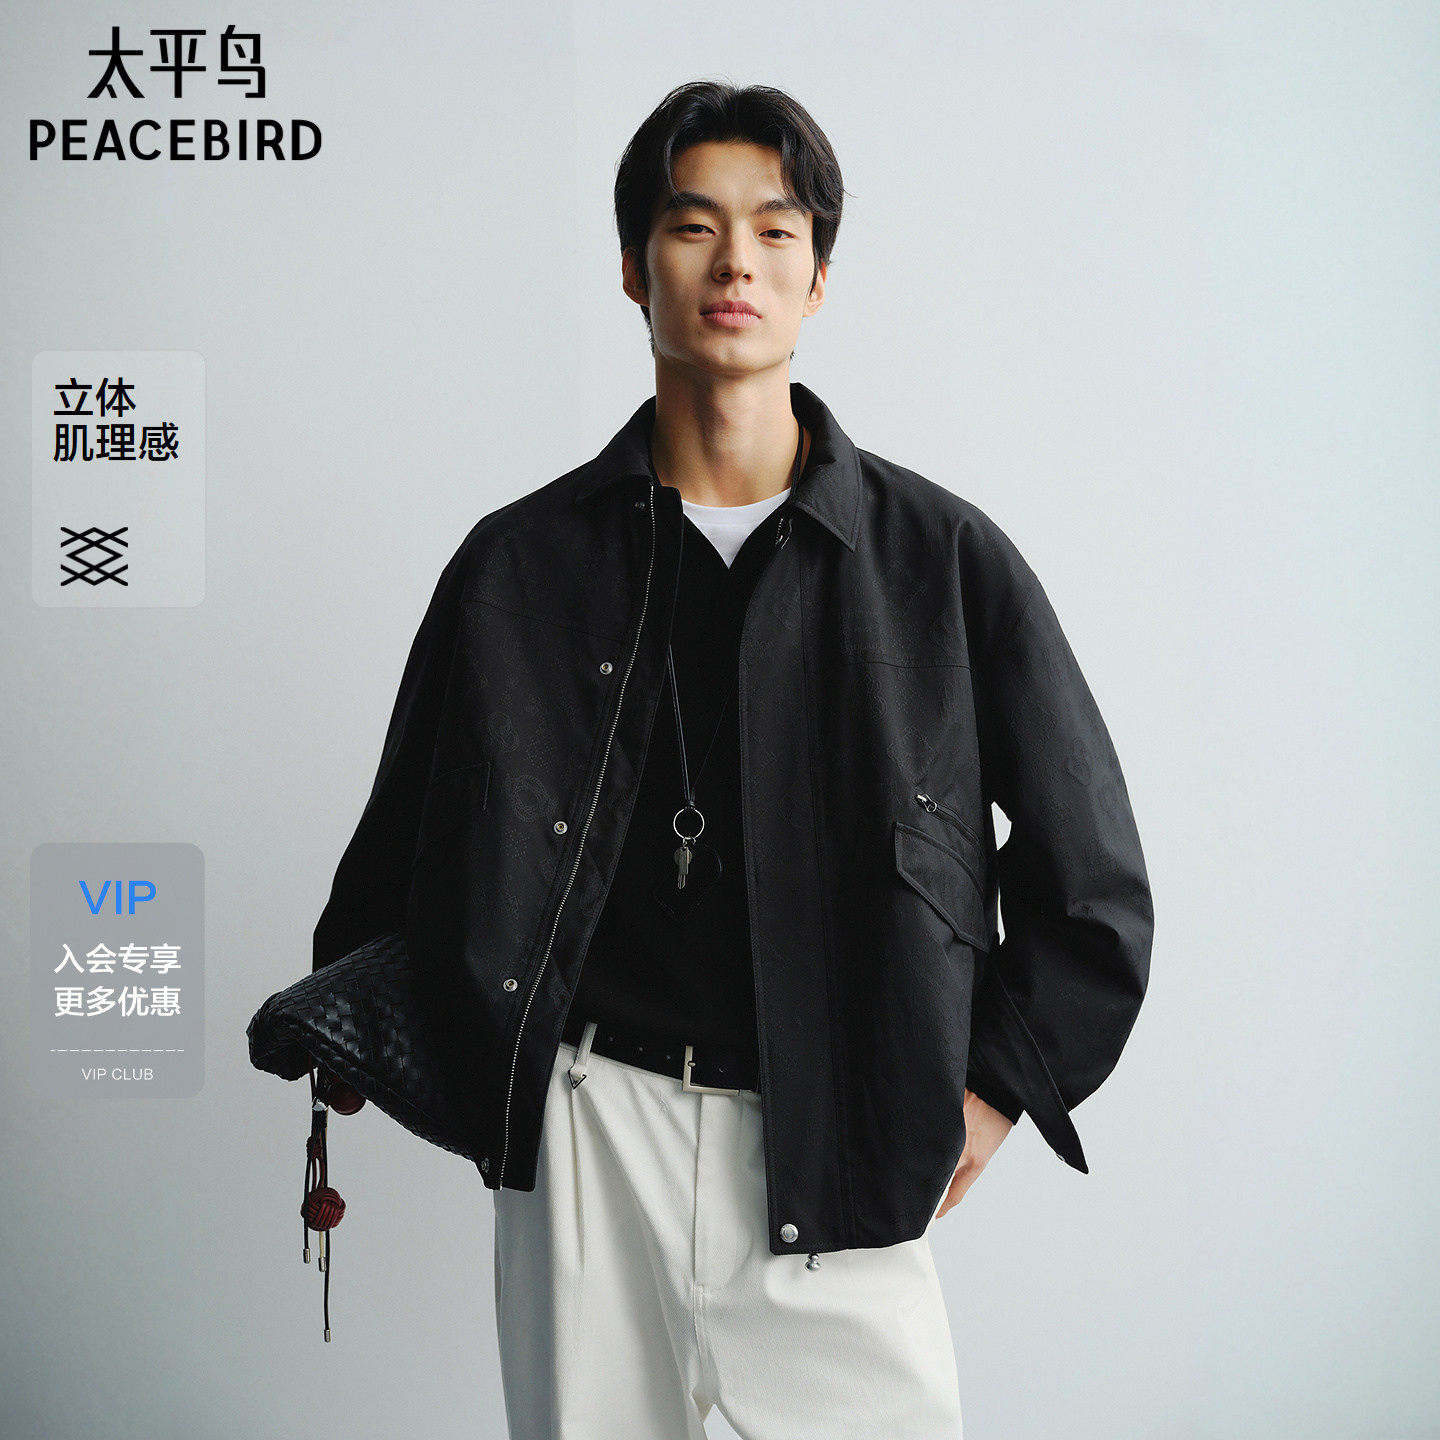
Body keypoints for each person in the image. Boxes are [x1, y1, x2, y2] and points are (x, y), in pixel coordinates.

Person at [313, 78, 1153, 1440]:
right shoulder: (518, 565)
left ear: (818, 280)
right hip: (588, 1135)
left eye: (774, 231)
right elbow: (408, 838)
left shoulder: (940, 561)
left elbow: (1094, 879)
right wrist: (361, 1026)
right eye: (693, 226)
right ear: (633, 269)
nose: (734, 264)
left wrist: (996, 1090)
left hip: (840, 1136)